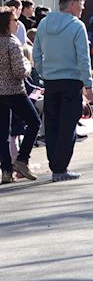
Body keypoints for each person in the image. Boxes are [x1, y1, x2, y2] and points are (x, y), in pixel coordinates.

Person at [32, 0, 93, 182]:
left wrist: (45, 73)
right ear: (73, 4)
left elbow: (36, 53)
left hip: (51, 82)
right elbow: (83, 58)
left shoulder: (44, 23)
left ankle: (55, 165)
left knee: (52, 124)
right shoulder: (77, 26)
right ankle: (61, 168)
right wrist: (88, 85)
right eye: (81, 4)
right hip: (71, 81)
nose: (83, 8)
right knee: (67, 126)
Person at [0, 9, 40, 183]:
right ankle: (22, 159)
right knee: (34, 122)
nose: (17, 23)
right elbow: (19, 71)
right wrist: (28, 66)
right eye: (14, 20)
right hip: (14, 90)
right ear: (6, 23)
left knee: (3, 132)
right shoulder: (12, 43)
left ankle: (6, 171)